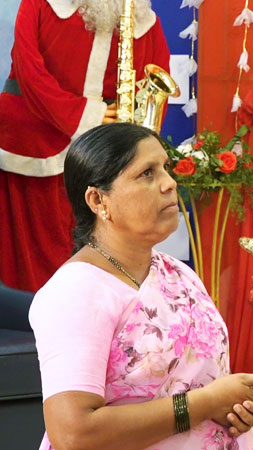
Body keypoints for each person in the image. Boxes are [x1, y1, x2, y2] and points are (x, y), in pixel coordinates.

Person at [29, 122, 253, 449]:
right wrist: (205, 403)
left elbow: (199, 380)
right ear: (98, 200)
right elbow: (73, 433)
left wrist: (238, 403)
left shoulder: (177, 273)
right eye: (147, 173)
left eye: (166, 169)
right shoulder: (76, 292)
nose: (170, 183)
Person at [0, 0, 170, 292]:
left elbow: (156, 80)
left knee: (103, 250)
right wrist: (85, 114)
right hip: (34, 140)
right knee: (41, 258)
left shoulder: (144, 21)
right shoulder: (40, 4)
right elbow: (29, 71)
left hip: (105, 154)